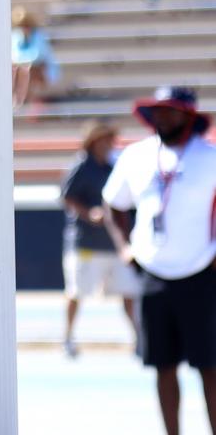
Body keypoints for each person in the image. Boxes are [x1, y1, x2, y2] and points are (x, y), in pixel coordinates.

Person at [104, 85, 216, 435]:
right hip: (153, 273)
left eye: (171, 110)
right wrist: (124, 246)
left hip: (202, 272)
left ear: (188, 115)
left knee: (210, 367)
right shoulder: (135, 156)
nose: (163, 117)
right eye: (158, 110)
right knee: (162, 366)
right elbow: (113, 203)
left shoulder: (209, 156)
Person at [61, 121, 138, 358]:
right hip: (87, 243)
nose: (108, 144)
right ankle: (68, 337)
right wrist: (88, 213)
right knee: (77, 292)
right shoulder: (82, 166)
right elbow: (67, 197)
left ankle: (140, 339)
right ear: (93, 141)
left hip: (115, 242)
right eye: (104, 139)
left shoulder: (114, 166)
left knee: (129, 292)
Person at [10, 7, 60, 109]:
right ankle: (21, 97)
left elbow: (38, 56)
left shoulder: (39, 36)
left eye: (26, 25)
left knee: (27, 69)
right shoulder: (16, 36)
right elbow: (14, 55)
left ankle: (25, 98)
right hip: (23, 69)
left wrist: (21, 62)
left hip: (42, 71)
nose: (24, 28)